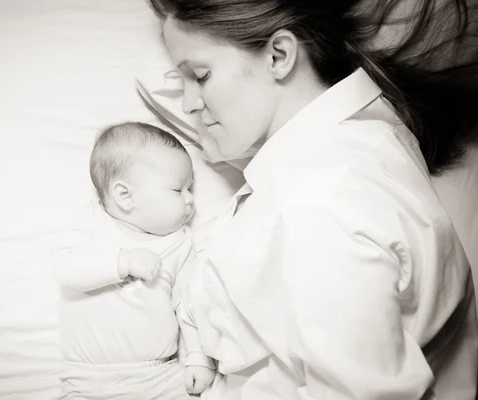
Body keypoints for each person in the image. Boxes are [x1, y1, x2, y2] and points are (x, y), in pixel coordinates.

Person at [146, 0, 478, 399]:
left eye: (200, 76)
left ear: (279, 55)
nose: (187, 102)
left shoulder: (321, 206)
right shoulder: (354, 137)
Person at [51, 122, 216, 399]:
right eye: (178, 190)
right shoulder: (92, 222)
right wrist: (121, 262)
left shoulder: (179, 244)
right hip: (88, 380)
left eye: (191, 189)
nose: (190, 201)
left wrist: (198, 356)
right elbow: (66, 269)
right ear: (125, 196)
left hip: (159, 376)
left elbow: (190, 303)